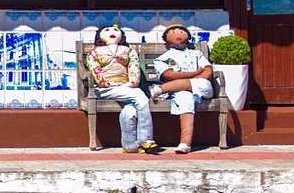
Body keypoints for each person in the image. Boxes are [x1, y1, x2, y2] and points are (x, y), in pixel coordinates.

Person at [84, 25, 159, 154]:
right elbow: (94, 68)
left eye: (115, 30)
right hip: (106, 88)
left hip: (126, 87)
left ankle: (130, 146)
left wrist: (132, 82)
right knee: (141, 98)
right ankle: (146, 139)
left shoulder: (129, 51)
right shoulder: (94, 52)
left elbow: (134, 67)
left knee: (130, 110)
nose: (111, 32)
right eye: (106, 30)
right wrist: (103, 82)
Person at [151, 24, 214, 154]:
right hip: (180, 91)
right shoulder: (164, 57)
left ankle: (160, 89)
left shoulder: (197, 54)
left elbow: (208, 71)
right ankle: (185, 143)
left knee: (203, 84)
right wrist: (193, 74)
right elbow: (169, 75)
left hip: (202, 88)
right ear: (166, 39)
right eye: (173, 32)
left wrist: (193, 79)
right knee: (185, 98)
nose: (178, 33)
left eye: (181, 31)